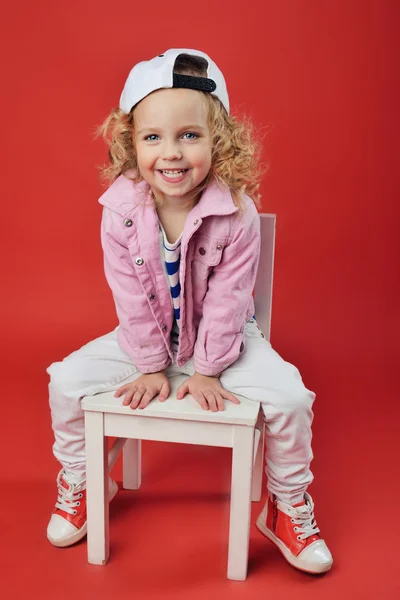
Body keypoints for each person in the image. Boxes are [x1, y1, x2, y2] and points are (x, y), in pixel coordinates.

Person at [46, 48, 333, 574]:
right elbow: (129, 296)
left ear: (217, 140)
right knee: (64, 382)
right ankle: (84, 480)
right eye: (153, 137)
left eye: (190, 136)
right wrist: (152, 366)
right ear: (131, 143)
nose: (171, 153)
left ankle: (286, 504)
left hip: (223, 346)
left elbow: (229, 301)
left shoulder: (235, 213)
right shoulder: (119, 213)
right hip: (143, 342)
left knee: (292, 397)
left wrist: (206, 371)